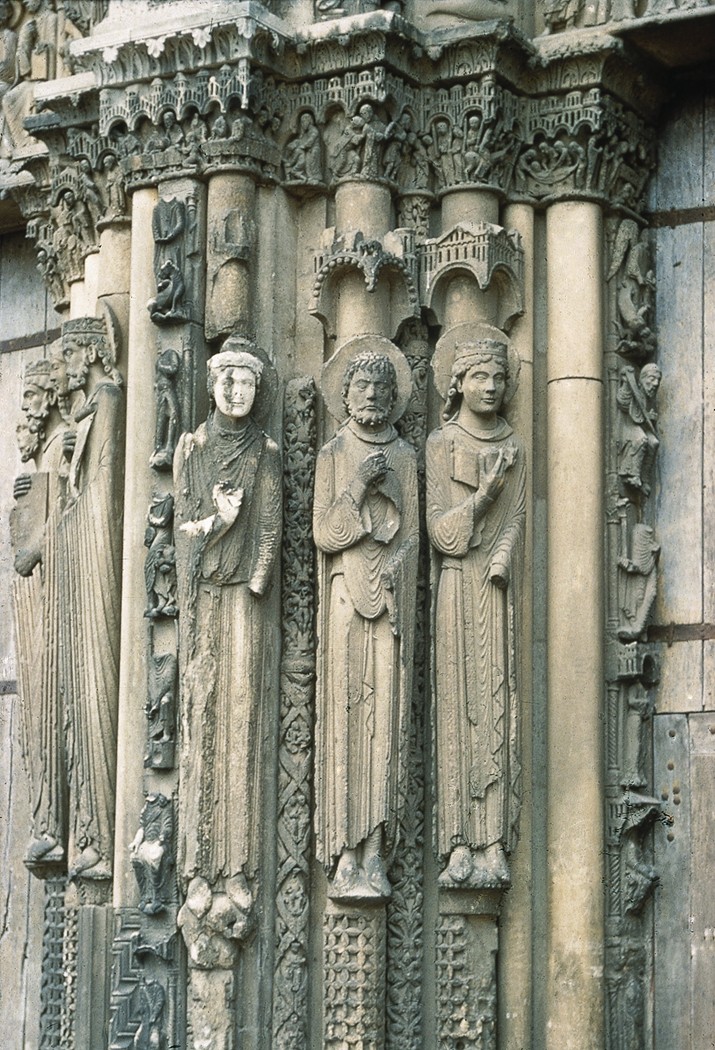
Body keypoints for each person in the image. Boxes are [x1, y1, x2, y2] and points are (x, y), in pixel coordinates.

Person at [173, 339, 281, 909]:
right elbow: (181, 532)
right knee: (202, 719)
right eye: (229, 380)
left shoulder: (265, 452)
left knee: (240, 726)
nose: (237, 391)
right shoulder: (192, 447)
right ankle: (195, 868)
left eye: (247, 382)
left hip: (244, 600)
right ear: (213, 385)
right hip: (205, 598)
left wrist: (261, 577)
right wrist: (221, 518)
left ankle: (236, 868)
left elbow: (270, 526)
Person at [313, 341, 418, 900]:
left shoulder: (405, 455)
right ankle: (344, 853)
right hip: (345, 604)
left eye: (381, 386)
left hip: (391, 604)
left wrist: (395, 569)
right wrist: (357, 485)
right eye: (361, 386)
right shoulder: (334, 453)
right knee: (347, 723)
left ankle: (375, 850)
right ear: (346, 396)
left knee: (383, 726)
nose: (372, 394)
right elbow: (324, 535)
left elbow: (414, 541)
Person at [427, 335, 525, 888]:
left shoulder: (513, 446)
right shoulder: (440, 445)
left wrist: (506, 554)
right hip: (457, 587)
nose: (492, 387)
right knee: (457, 710)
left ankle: (493, 840)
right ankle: (458, 841)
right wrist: (483, 496)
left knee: (495, 710)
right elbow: (442, 532)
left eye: (500, 378)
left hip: (494, 588)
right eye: (481, 377)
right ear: (458, 381)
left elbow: (516, 519)